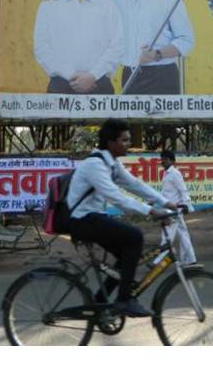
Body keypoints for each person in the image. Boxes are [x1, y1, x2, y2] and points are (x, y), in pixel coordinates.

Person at [66, 119, 177, 318]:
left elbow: (134, 184)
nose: (128, 144)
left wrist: (165, 202)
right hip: (81, 220)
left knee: (126, 259)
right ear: (111, 142)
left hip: (93, 217)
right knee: (134, 238)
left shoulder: (111, 163)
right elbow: (116, 197)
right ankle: (124, 300)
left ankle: (100, 303)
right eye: (124, 140)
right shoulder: (95, 164)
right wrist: (151, 211)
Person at [110, 0, 194, 95]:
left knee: (162, 120)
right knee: (131, 120)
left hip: (162, 76)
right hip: (129, 74)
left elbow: (186, 40)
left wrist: (157, 54)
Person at [33, 0, 124, 94]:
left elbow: (117, 46)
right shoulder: (48, 7)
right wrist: (71, 75)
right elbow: (42, 48)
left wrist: (93, 76)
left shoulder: (108, 7)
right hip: (60, 86)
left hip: (99, 85)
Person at [159, 150, 197, 266]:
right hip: (170, 208)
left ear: (172, 161)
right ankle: (190, 259)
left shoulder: (175, 173)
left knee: (167, 234)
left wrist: (186, 205)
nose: (163, 161)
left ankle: (160, 261)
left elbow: (183, 189)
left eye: (166, 159)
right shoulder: (166, 174)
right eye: (162, 159)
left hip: (175, 209)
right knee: (183, 234)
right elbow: (166, 192)